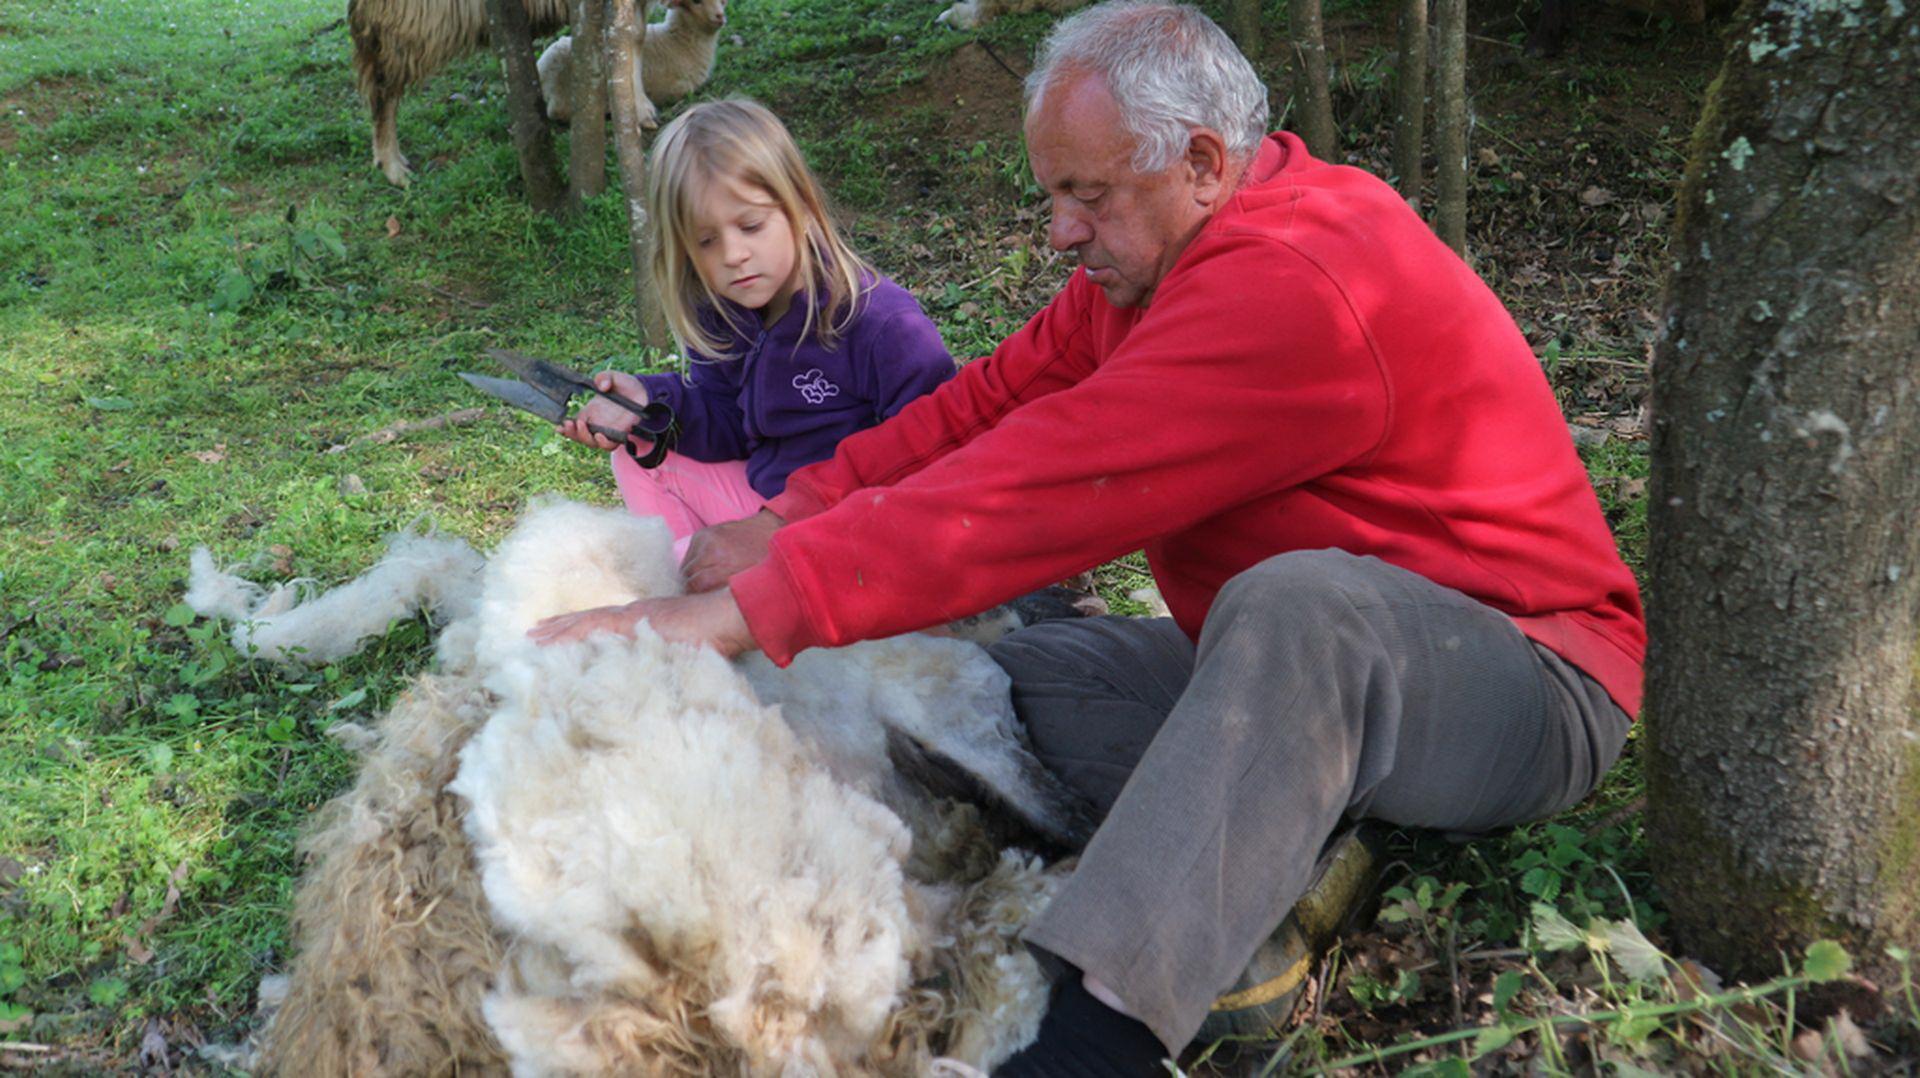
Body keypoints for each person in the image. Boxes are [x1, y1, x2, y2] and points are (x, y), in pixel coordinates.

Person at [533, 3, 1646, 1074]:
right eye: (1054, 195)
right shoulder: (1147, 267)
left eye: (1087, 195)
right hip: (1279, 675)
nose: (1062, 229)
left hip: (1527, 680)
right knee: (975, 688)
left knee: (1301, 603)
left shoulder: (1295, 281)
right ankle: (1282, 847)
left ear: (1204, 162)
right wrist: (788, 518)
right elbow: (991, 407)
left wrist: (737, 610)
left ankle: (1092, 1043)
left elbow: (1040, 485)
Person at [559, 98, 956, 561]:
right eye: (707, 241)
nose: (733, 254)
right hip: (764, 510)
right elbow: (726, 421)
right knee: (637, 448)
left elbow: (937, 448)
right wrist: (648, 401)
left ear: (800, 208)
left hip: (851, 531)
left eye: (751, 226)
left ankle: (701, 594)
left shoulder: (880, 323)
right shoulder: (723, 310)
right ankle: (689, 589)